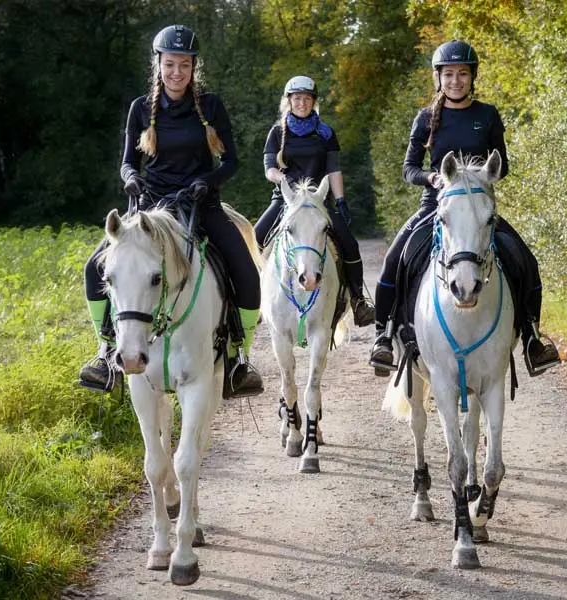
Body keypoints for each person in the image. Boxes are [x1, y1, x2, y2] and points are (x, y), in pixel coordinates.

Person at [79, 24, 264, 397]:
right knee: (93, 268)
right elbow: (127, 162)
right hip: (149, 209)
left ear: (194, 67)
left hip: (199, 203)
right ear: (158, 65)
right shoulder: (140, 109)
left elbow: (231, 162)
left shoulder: (210, 107)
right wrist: (131, 178)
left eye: (184, 64)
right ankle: (105, 350)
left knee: (246, 271)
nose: (176, 72)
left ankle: (237, 357)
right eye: (169, 64)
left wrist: (208, 181)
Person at [368, 40, 561, 377]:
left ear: (472, 77)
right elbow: (409, 168)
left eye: (462, 74)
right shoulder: (426, 118)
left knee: (525, 260)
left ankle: (531, 337)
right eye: (448, 74)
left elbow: (503, 165)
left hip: (478, 208)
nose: (455, 80)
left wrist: (482, 175)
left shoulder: (487, 115)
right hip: (437, 206)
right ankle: (384, 335)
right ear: (438, 78)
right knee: (394, 260)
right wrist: (431, 178)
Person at [255, 75, 375, 327]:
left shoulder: (325, 133)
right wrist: (284, 181)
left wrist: (340, 201)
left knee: (350, 245)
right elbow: (269, 169)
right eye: (297, 98)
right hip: (286, 200)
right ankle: (253, 301)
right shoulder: (277, 132)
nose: (301, 103)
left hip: (319, 201)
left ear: (313, 102)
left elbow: (333, 169)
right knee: (254, 241)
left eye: (306, 99)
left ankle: (358, 301)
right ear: (289, 101)